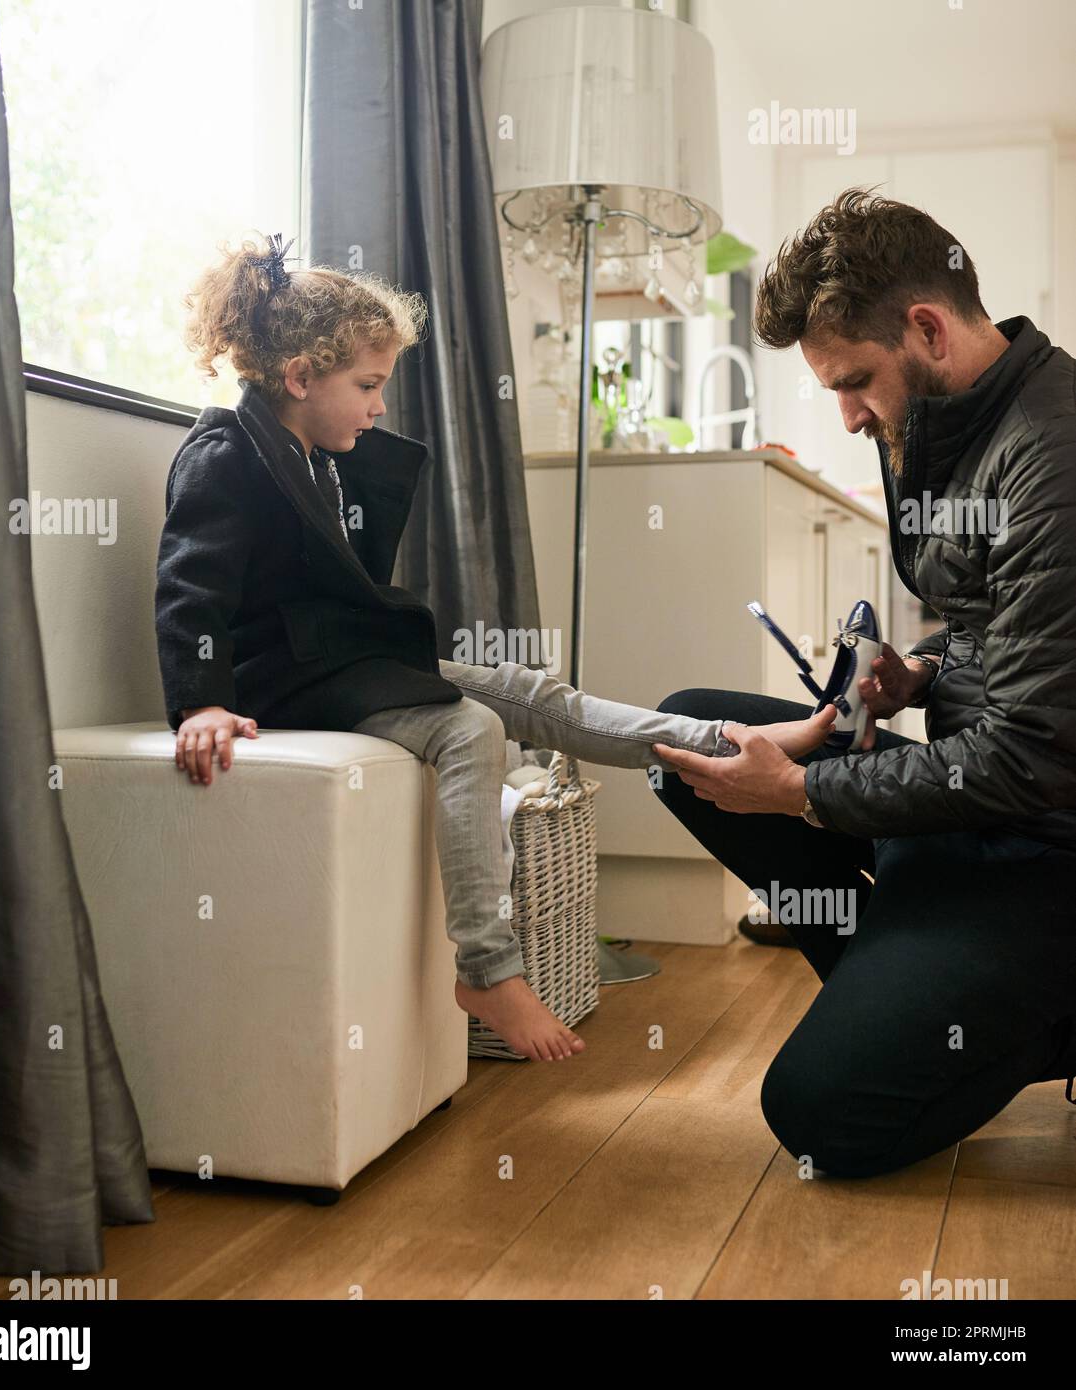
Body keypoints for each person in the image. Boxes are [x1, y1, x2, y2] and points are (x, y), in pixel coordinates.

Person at [154, 233, 836, 1064]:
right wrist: (202, 700)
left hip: (334, 665)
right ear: (298, 378)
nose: (377, 409)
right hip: (282, 683)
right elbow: (190, 589)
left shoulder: (312, 457)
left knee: (530, 693)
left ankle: (732, 743)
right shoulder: (226, 454)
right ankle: (486, 966)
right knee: (471, 726)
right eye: (367, 387)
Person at [651, 186, 1076, 1178]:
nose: (845, 414)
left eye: (853, 381)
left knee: (822, 1114)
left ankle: (1014, 1007)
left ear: (927, 326)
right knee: (685, 741)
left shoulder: (1052, 458)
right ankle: (908, 976)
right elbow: (986, 627)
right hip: (968, 809)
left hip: (1040, 846)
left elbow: (1032, 758)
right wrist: (914, 672)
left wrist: (803, 791)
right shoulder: (950, 422)